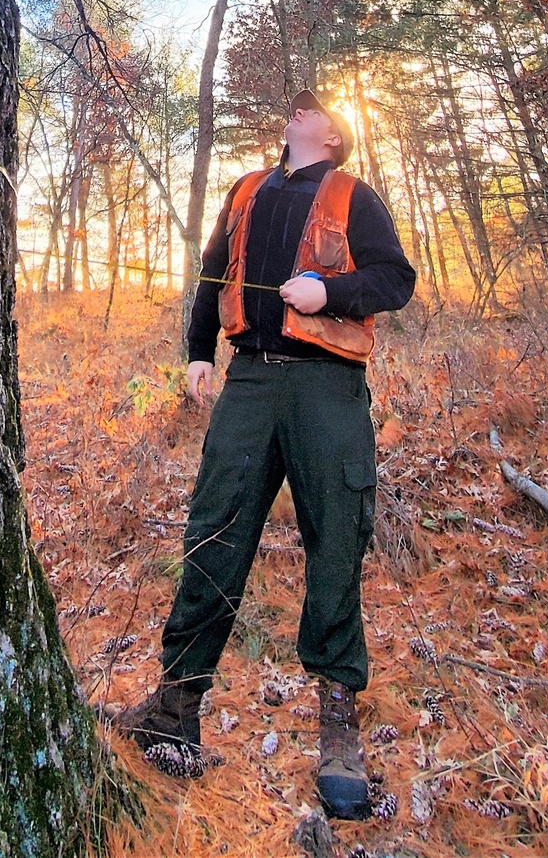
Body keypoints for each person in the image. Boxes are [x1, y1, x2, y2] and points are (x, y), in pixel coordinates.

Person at [114, 91, 415, 821]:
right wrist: (196, 353)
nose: (299, 109)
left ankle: (338, 724)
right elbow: (215, 274)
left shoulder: (354, 193)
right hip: (247, 381)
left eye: (315, 109)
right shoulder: (246, 188)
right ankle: (176, 706)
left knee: (337, 542)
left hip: (327, 388)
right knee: (213, 532)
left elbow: (394, 280)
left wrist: (328, 290)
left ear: (335, 138)